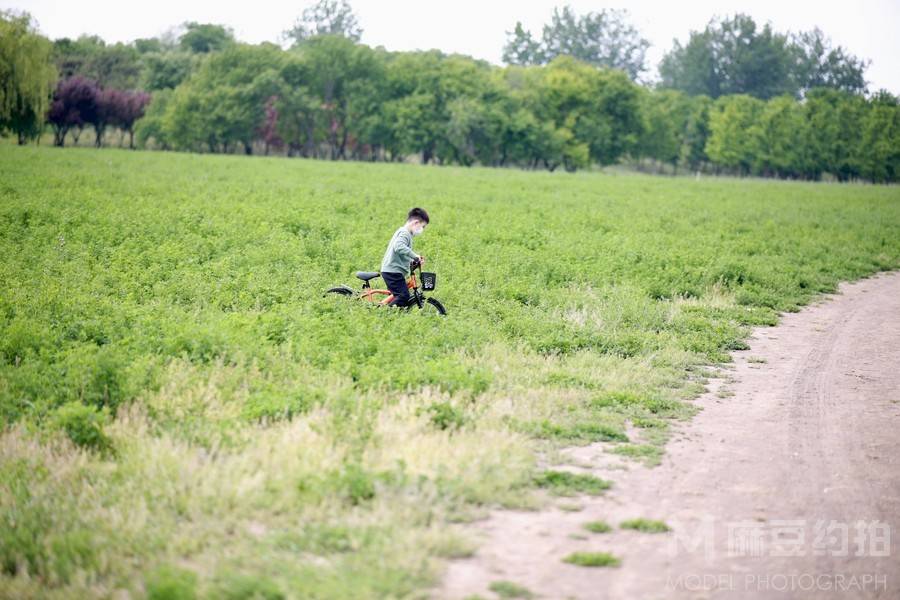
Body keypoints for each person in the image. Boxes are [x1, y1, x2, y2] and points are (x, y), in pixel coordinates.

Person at [380, 207, 429, 307]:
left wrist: (414, 260)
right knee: (403, 295)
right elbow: (399, 247)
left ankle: (392, 311)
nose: (422, 230)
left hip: (393, 270)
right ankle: (385, 314)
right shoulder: (405, 233)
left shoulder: (405, 232)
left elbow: (402, 253)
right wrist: (415, 256)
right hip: (392, 271)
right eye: (422, 227)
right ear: (416, 223)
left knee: (400, 295)